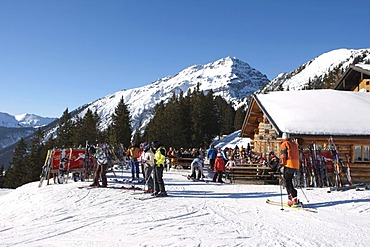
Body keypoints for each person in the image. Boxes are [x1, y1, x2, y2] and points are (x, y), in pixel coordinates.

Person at [280, 132, 300, 206]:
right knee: (290, 180)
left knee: (287, 181)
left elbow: (283, 155)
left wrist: (281, 164)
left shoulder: (284, 144)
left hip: (288, 164)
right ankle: (294, 197)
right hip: (295, 164)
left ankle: (291, 197)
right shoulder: (294, 144)